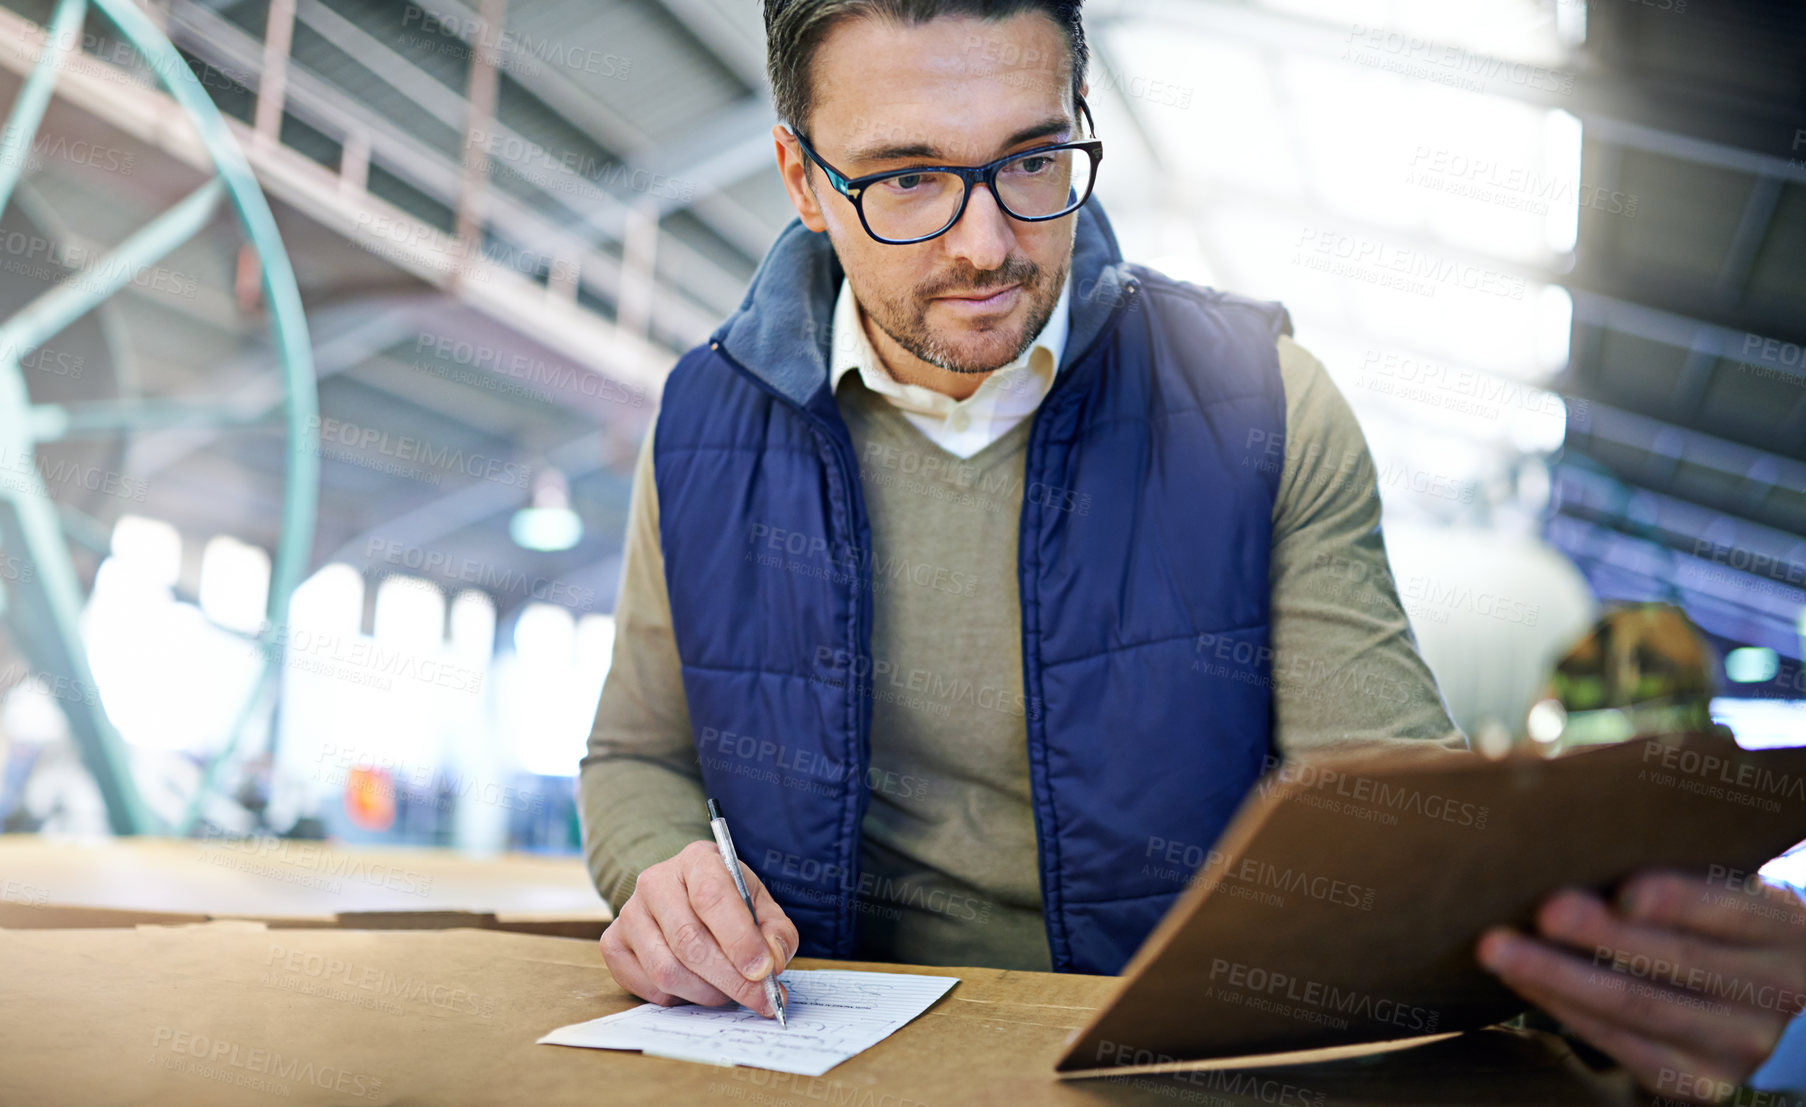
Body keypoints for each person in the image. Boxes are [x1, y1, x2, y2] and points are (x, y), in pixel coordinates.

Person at [578, 3, 1806, 1100]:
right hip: (825, 1073)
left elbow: (1399, 822)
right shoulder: (704, 425)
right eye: (905, 181)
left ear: (1079, 120)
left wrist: (1604, 956)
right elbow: (638, 752)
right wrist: (659, 871)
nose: (987, 246)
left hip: (1172, 1079)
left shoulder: (1259, 406)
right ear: (801, 176)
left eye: (1034, 157)